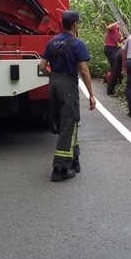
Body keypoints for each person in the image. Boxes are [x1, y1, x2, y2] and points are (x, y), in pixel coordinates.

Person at [39, 10, 96, 182]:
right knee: (68, 123)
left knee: (64, 123)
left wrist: (53, 79)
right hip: (68, 85)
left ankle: (74, 161)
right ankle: (59, 168)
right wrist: (92, 95)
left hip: (54, 83)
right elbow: (84, 71)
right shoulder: (77, 44)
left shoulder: (52, 42)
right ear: (74, 24)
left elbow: (42, 66)